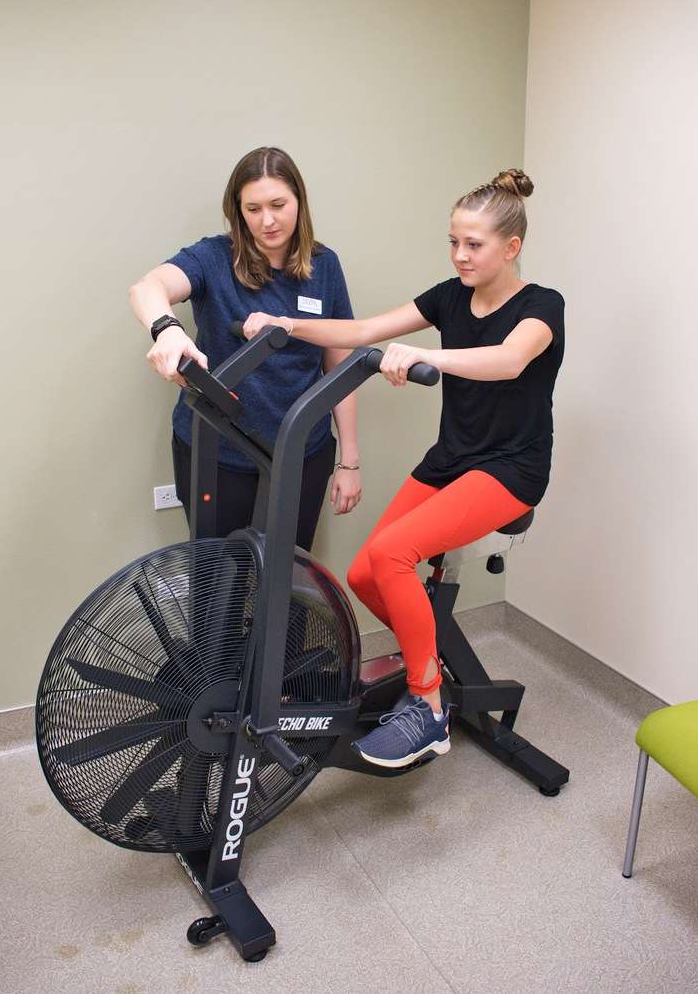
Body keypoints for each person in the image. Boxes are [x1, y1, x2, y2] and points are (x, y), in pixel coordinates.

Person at [241, 169, 564, 767]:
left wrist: (423, 354)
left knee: (394, 555)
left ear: (511, 247)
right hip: (452, 460)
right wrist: (290, 326)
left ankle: (429, 708)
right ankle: (430, 660)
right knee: (366, 575)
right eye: (453, 242)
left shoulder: (542, 306)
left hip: (512, 470)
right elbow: (364, 330)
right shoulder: (449, 295)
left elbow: (508, 360)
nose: (460, 255)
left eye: (474, 244)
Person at [129, 146, 362, 550]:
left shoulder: (325, 267)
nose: (267, 220)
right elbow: (147, 287)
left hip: (300, 453)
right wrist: (166, 328)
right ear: (238, 211)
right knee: (220, 583)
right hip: (217, 456)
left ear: (299, 203)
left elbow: (341, 371)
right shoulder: (213, 258)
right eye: (253, 209)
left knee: (289, 581)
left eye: (278, 205)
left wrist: (349, 461)